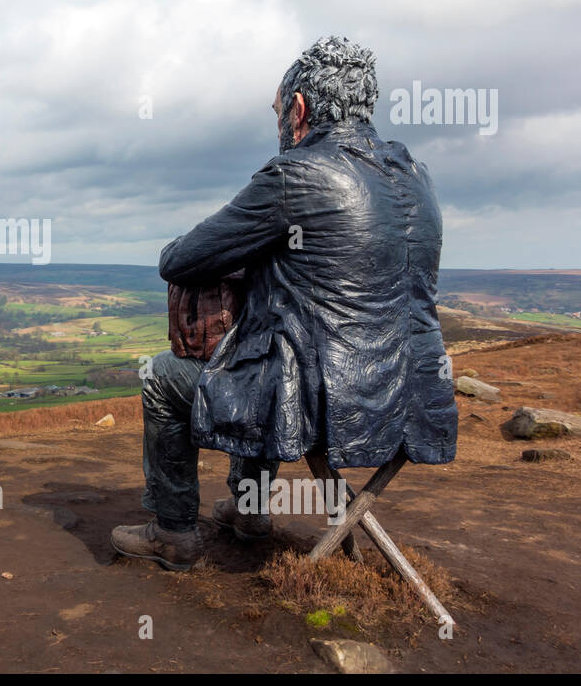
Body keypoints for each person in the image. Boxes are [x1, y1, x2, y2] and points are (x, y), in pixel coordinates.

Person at [111, 36, 458, 571]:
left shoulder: (295, 176)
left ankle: (172, 531)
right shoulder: (418, 177)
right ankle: (249, 509)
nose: (276, 124)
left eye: (277, 110)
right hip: (418, 399)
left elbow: (180, 260)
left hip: (328, 406)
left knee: (165, 376)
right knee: (267, 350)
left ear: (298, 109)